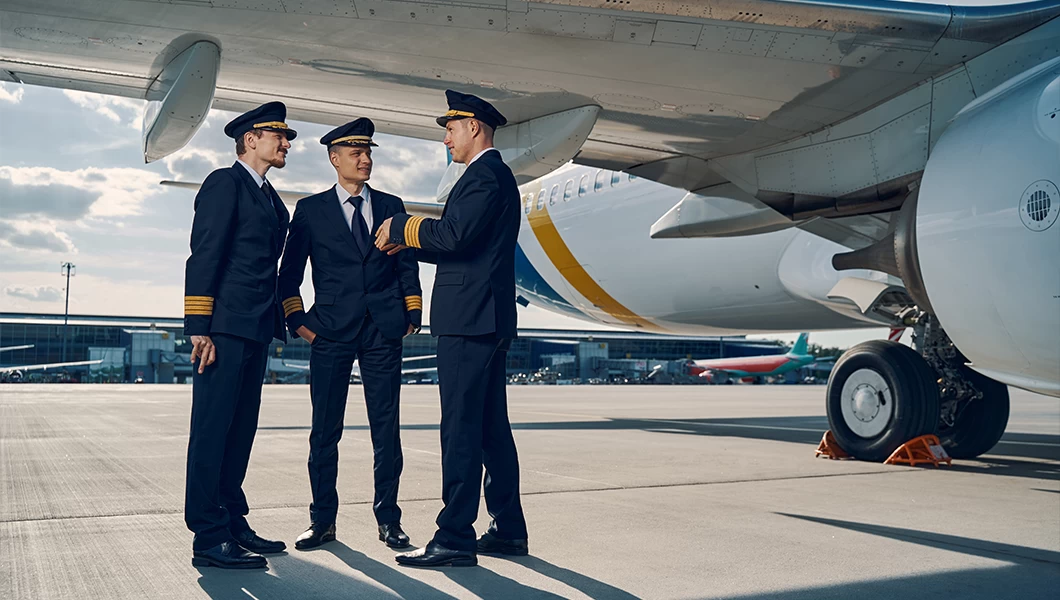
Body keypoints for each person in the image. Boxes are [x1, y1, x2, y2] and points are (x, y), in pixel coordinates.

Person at [375, 90, 528, 568]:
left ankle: (455, 537)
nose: (446, 137)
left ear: (474, 128)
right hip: (487, 317)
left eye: (451, 128)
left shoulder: (484, 176)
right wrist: (411, 240)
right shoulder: (490, 177)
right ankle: (507, 529)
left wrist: (401, 228)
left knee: (460, 429)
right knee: (489, 430)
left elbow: (454, 238)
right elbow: (456, 239)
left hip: (470, 319)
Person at [278, 118, 422, 551]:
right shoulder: (310, 210)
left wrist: (411, 312)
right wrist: (301, 325)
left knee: (386, 430)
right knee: (324, 431)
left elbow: (407, 267)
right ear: (334, 158)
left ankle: (389, 520)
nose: (365, 159)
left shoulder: (393, 205)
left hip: (382, 332)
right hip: (330, 334)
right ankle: (322, 521)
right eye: (356, 153)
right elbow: (289, 276)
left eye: (369, 152)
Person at [183, 102, 294, 569]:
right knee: (212, 430)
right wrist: (199, 328)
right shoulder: (224, 183)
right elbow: (204, 255)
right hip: (223, 329)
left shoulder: (270, 197)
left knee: (240, 429)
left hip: (255, 329)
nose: (286, 144)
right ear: (251, 139)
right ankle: (208, 536)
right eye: (278, 136)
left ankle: (231, 520)